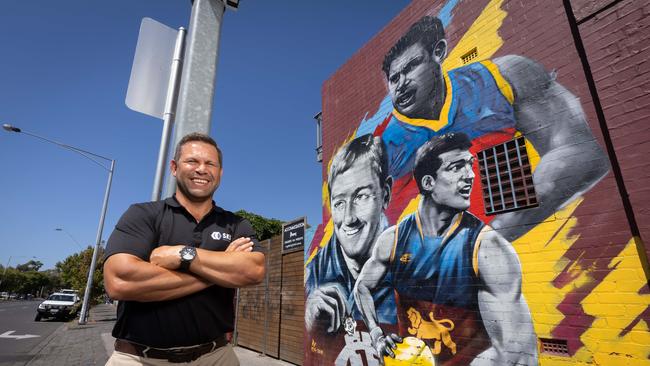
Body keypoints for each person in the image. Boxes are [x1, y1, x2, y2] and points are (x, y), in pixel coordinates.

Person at [373, 15, 608, 241]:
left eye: (411, 67)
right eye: (394, 79)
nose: (401, 84)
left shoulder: (502, 77)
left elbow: (581, 151)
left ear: (439, 52)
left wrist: (491, 235)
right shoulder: (382, 149)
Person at [354, 133, 537, 365]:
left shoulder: (487, 248)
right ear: (429, 183)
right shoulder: (394, 240)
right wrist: (376, 334)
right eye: (456, 167)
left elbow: (518, 353)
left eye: (470, 166)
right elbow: (362, 287)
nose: (470, 176)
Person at [103, 132, 265, 365]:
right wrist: (221, 271)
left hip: (217, 357)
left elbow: (253, 271)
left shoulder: (236, 224)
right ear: (174, 167)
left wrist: (183, 255)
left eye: (210, 163)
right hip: (140, 358)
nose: (202, 169)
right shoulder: (143, 215)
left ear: (220, 173)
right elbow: (120, 280)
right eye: (192, 161)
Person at [304, 134, 396, 364]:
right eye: (339, 203)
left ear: (385, 195)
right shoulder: (316, 270)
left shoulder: (411, 261)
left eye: (361, 196)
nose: (348, 218)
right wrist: (309, 318)